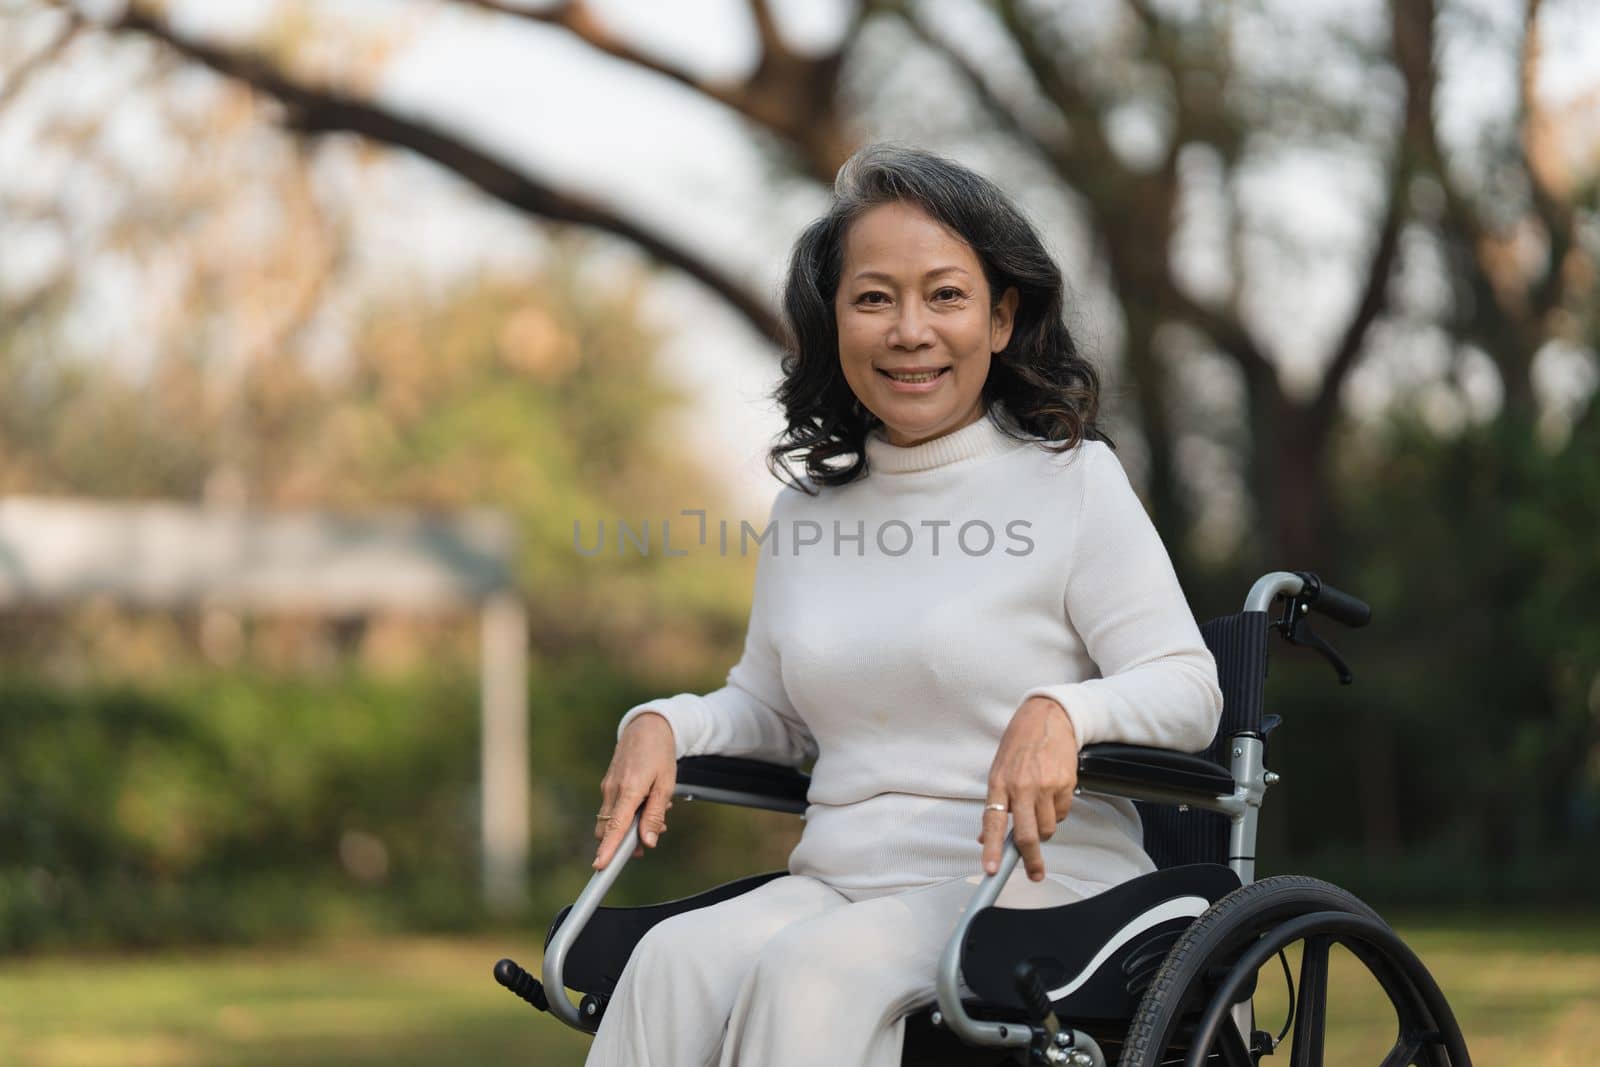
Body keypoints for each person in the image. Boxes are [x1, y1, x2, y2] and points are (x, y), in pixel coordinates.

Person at [583, 143, 1223, 1067]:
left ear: (1002, 319)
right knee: (669, 962)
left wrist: (1067, 710)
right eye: (874, 297)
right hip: (844, 881)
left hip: (1036, 883)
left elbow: (1188, 687)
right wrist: (664, 724)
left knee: (812, 973)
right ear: (834, 322)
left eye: (947, 296)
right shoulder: (808, 512)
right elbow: (770, 710)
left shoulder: (1072, 482)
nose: (909, 330)